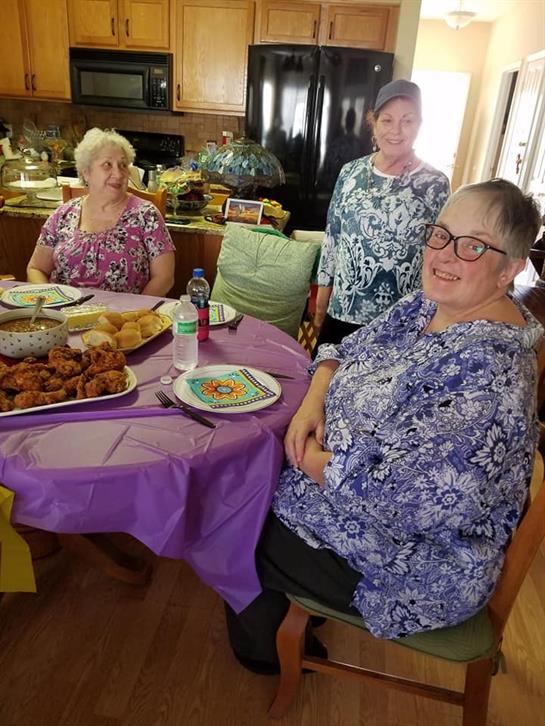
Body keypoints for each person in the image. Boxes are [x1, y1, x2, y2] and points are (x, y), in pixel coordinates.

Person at [225, 179, 543, 674]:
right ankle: (293, 616)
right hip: (341, 489)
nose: (444, 254)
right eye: (440, 234)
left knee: (233, 519)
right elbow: (342, 349)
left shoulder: (489, 375)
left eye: (473, 245)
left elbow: (404, 500)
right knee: (241, 476)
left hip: (413, 562)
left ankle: (268, 653)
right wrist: (313, 404)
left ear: (511, 268)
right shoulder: (430, 305)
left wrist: (305, 457)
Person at [314, 79, 450, 349]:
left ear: (420, 125)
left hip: (401, 323)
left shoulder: (436, 184)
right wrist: (321, 302)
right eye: (387, 120)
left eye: (408, 121)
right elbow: (332, 240)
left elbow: (440, 254)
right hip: (342, 313)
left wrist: (436, 316)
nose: (396, 131)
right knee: (324, 384)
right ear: (373, 123)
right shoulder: (350, 173)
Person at [26, 128, 175, 296]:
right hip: (65, 313)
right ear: (86, 172)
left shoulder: (146, 215)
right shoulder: (63, 214)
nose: (118, 174)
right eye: (107, 165)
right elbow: (36, 268)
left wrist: (135, 313)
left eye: (123, 165)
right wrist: (51, 300)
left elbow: (164, 277)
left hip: (123, 317)